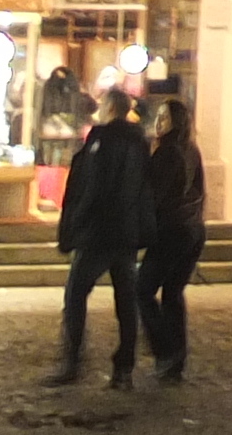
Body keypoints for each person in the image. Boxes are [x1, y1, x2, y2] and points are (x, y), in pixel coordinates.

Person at [48, 88, 153, 389]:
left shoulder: (103, 142)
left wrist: (75, 225)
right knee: (126, 301)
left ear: (108, 108)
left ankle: (72, 361)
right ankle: (124, 369)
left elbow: (92, 188)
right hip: (126, 233)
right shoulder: (139, 144)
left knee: (76, 294)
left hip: (99, 233)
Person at [138, 98, 207, 385]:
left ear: (176, 121)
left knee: (141, 290)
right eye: (159, 116)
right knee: (173, 293)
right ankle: (174, 359)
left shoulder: (167, 153)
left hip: (172, 231)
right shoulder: (191, 149)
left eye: (165, 117)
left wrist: (143, 228)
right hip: (191, 230)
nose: (158, 121)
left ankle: (165, 351)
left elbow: (155, 196)